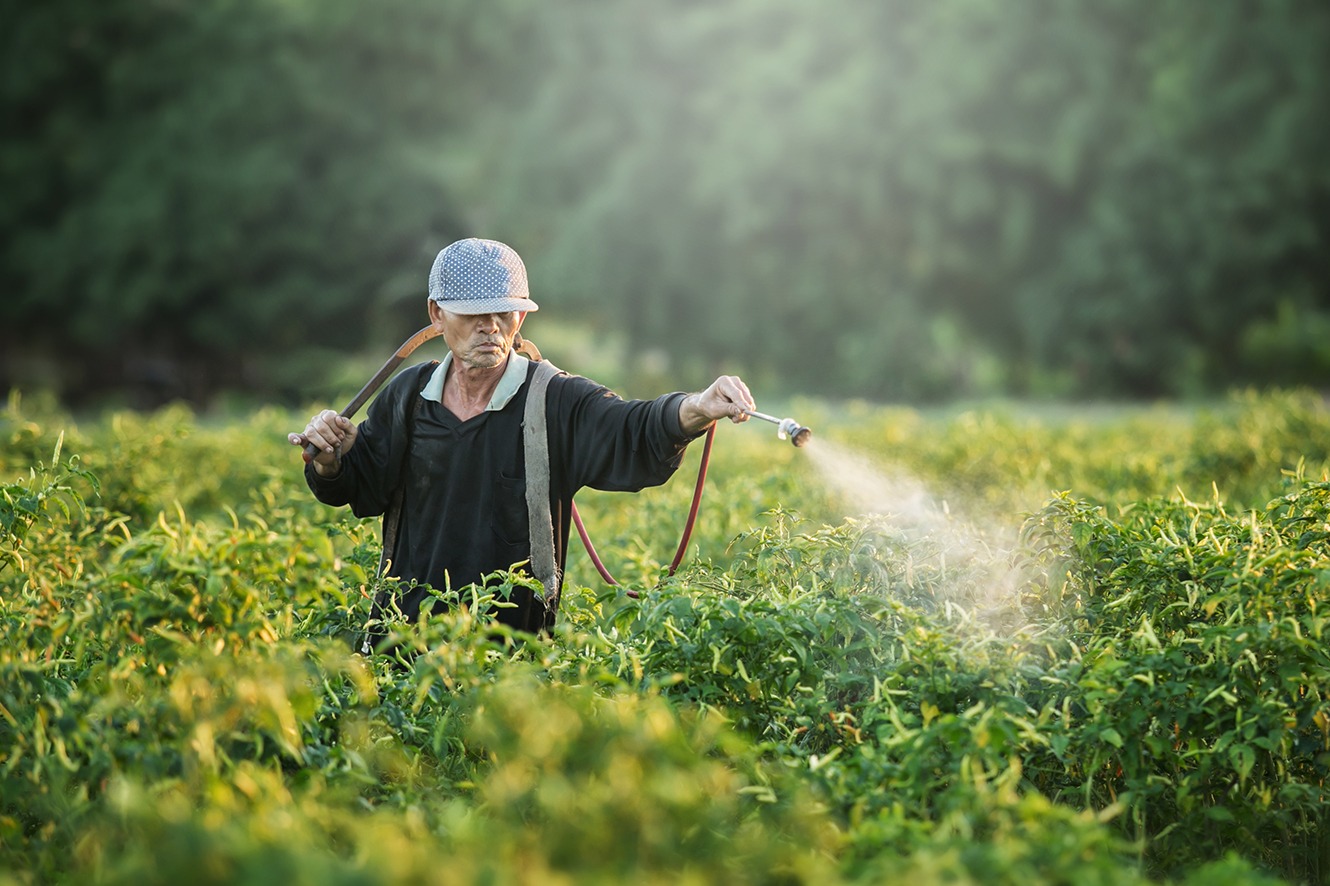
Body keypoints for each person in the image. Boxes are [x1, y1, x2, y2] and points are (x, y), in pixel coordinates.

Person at [288, 238, 754, 648]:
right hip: (404, 644)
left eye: (503, 312)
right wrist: (330, 462)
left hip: (511, 658)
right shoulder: (408, 396)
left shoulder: (554, 400)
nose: (490, 326)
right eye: (473, 314)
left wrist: (696, 406)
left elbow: (631, 426)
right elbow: (360, 484)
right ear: (436, 313)